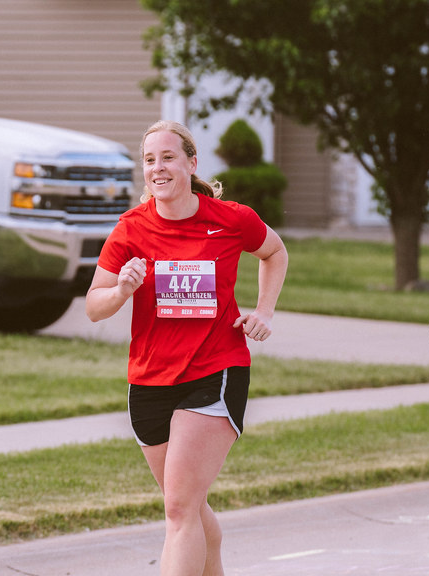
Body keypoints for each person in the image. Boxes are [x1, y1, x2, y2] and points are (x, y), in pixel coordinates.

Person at [85, 120, 288, 576]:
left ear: (191, 163)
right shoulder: (130, 228)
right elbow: (94, 306)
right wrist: (121, 290)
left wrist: (265, 311)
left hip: (215, 370)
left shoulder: (231, 219)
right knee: (189, 507)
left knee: (178, 509)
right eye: (149, 160)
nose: (158, 168)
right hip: (149, 379)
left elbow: (275, 252)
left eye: (168, 157)